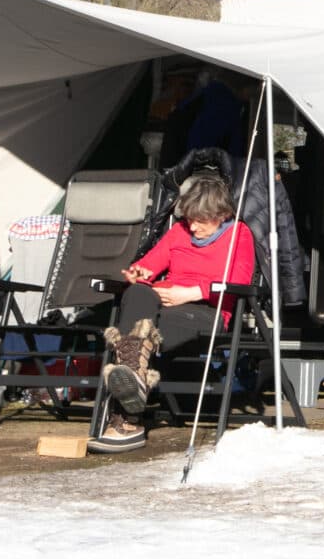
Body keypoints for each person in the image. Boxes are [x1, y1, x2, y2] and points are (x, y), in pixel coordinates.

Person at [91, 170, 255, 453]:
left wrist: (191, 293)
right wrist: (138, 274)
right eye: (189, 218)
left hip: (206, 312)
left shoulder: (239, 234)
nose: (192, 227)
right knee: (138, 292)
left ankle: (126, 420)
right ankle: (135, 381)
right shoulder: (178, 231)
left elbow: (239, 281)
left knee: (137, 327)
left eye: (200, 220)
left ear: (222, 214)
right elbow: (149, 265)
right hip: (163, 307)